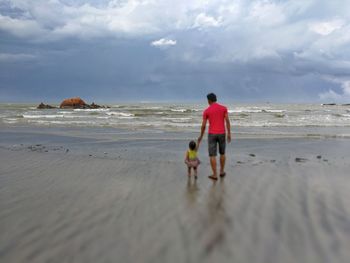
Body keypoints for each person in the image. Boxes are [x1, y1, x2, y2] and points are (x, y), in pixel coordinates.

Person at [198, 93, 231, 181]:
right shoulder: (223, 108)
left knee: (212, 155)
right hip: (222, 133)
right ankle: (222, 171)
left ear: (209, 100)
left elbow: (203, 126)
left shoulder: (207, 111)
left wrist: (201, 136)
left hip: (212, 134)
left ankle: (215, 174)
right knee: (222, 153)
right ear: (216, 99)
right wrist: (229, 133)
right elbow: (227, 121)